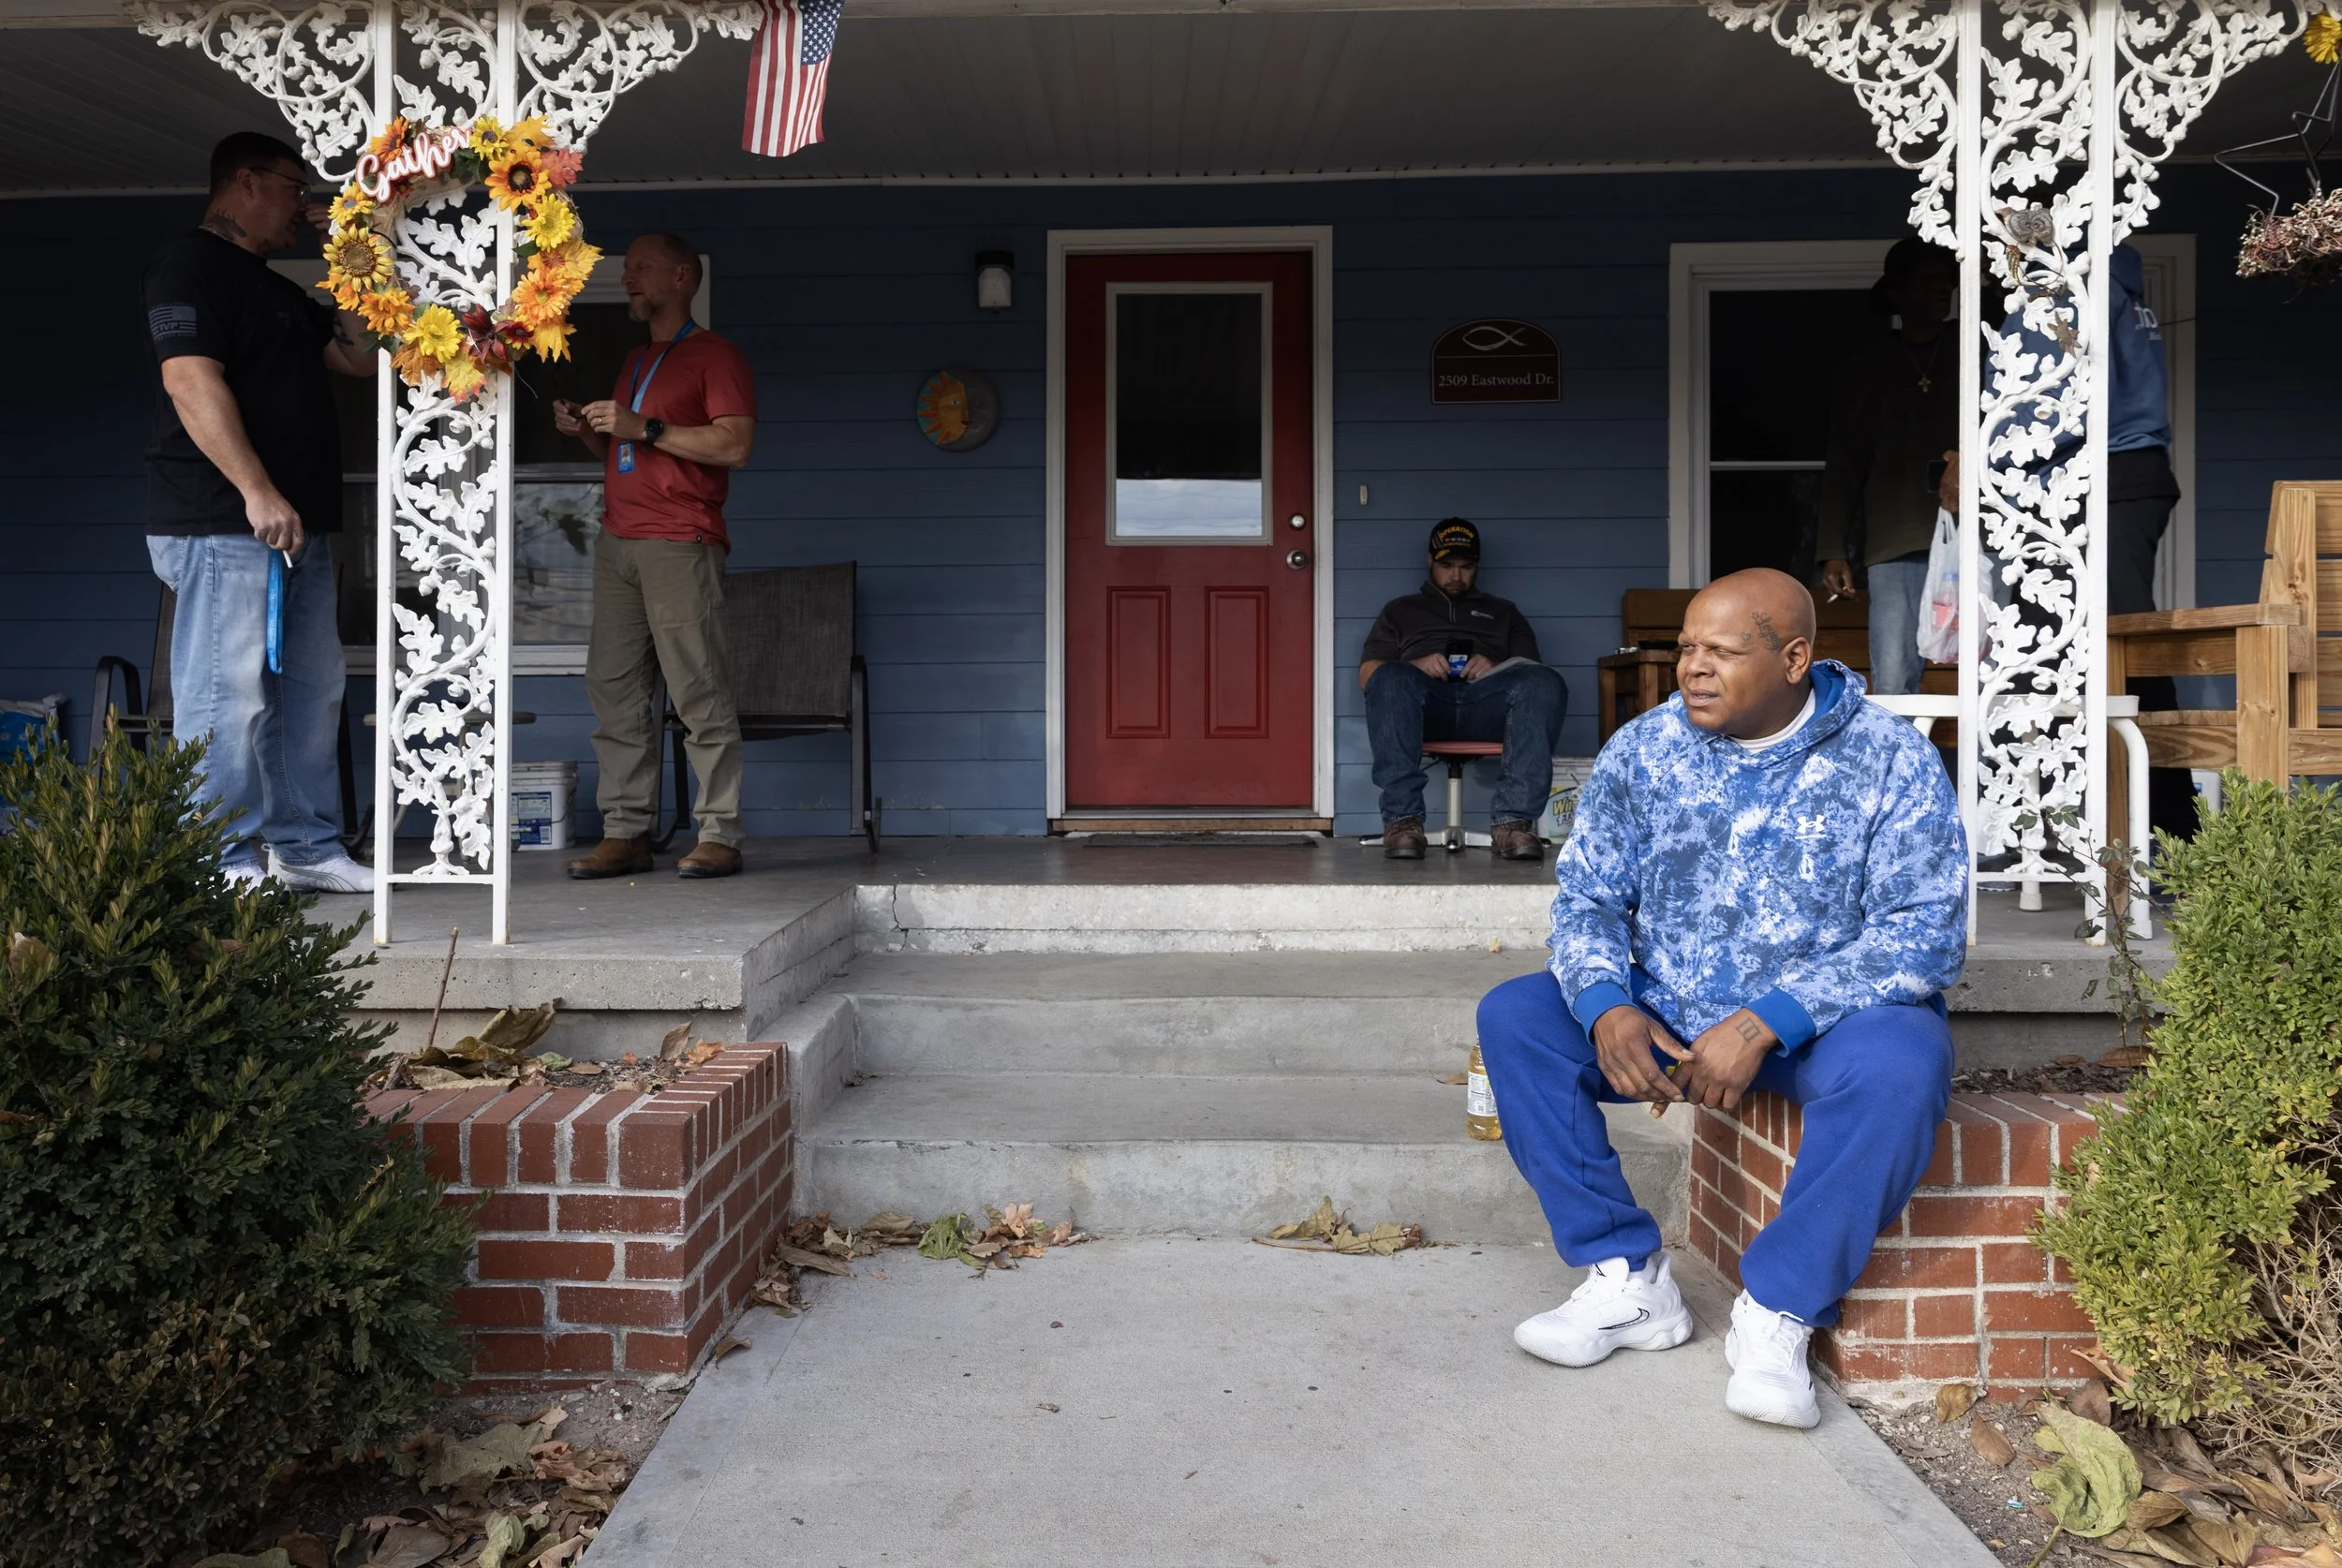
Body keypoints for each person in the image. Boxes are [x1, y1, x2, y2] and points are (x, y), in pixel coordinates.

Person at [1475, 570, 1966, 1429]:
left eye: (1722, 653)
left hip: (1817, 1032)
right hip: (1667, 1016)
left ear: (1794, 659)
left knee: (1908, 1059)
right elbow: (1586, 896)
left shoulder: (1889, 757)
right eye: (1686, 650)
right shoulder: (1645, 748)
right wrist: (1606, 1005)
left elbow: (1923, 931)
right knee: (1517, 1018)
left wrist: (1768, 1020)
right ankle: (1629, 1281)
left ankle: (1778, 1310)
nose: (1692, 671)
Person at [142, 131, 379, 893]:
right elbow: (189, 382)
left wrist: (354, 258)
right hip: (224, 518)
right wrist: (256, 489)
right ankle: (218, 860)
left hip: (299, 523)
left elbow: (363, 358)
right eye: (293, 188)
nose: (302, 206)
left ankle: (306, 848)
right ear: (246, 183)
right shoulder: (189, 266)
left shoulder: (279, 289)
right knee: (226, 693)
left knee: (310, 691)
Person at [1949, 243, 2195, 840]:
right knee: (2088, 652)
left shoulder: (2072, 292)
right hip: (2116, 479)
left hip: (2089, 482)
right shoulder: (2117, 289)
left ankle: (2160, 829)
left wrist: (1986, 468)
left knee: (2101, 653)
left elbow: (2049, 406)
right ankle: (2072, 829)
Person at [555, 233, 757, 880]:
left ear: (681, 279)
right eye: (626, 269)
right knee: (614, 690)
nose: (627, 278)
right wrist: (592, 433)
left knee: (698, 687)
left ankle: (720, 833)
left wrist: (645, 427)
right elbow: (628, 452)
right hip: (618, 541)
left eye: (641, 268)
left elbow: (734, 446)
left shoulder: (715, 355)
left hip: (680, 541)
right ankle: (627, 831)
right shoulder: (635, 359)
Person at [1359, 519, 1566, 861]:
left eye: (1466, 567)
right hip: (1425, 708)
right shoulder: (1400, 610)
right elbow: (1368, 676)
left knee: (1546, 681)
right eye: (1447, 566)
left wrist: (1494, 667)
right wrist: (1416, 667)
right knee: (1390, 676)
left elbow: (1533, 674)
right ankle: (1403, 823)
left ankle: (1513, 824)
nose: (1456, 576)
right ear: (1430, 560)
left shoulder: (1503, 612)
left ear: (1477, 567)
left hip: (1487, 707)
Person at [1816, 238, 1961, 696]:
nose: (1943, 290)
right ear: (1897, 294)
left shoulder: (1977, 348)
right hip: (1895, 540)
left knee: (1989, 670)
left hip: (1978, 537)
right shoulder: (1868, 366)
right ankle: (1899, 769)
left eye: (1948, 280)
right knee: (1895, 678)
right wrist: (1833, 547)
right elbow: (1844, 461)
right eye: (1927, 281)